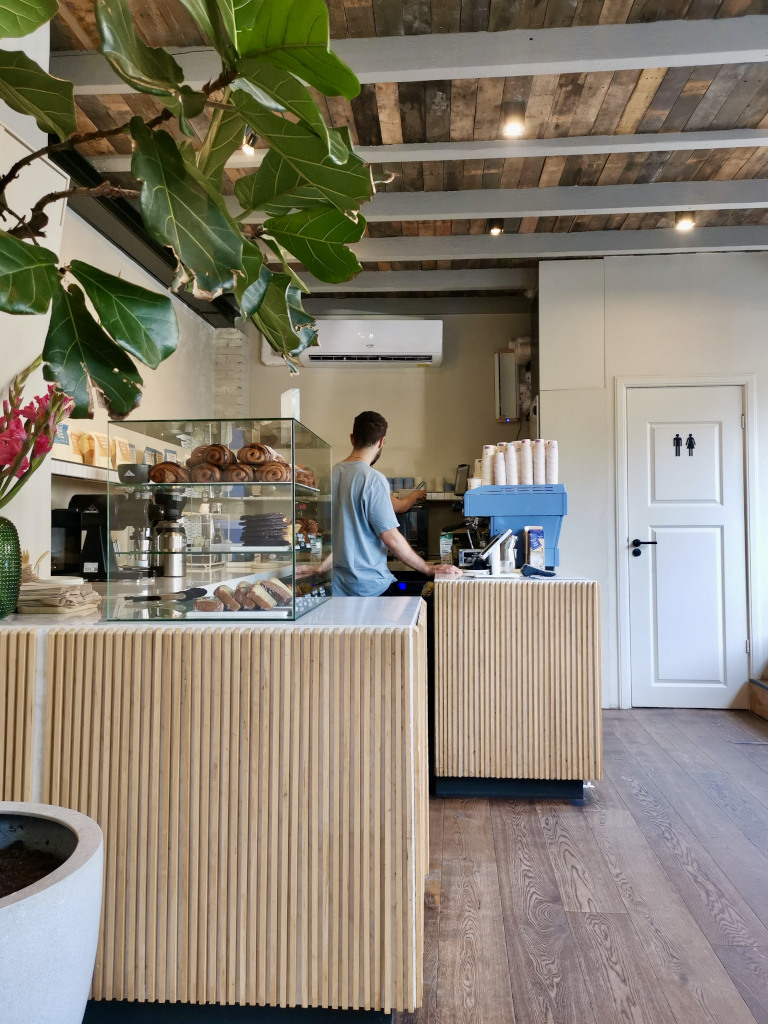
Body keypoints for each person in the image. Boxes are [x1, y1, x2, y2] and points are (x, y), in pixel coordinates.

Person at [331, 411, 462, 597]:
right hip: (370, 587)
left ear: (352, 438)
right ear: (381, 441)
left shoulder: (331, 475)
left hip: (337, 587)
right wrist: (427, 568)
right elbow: (390, 537)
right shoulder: (373, 479)